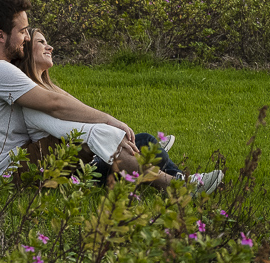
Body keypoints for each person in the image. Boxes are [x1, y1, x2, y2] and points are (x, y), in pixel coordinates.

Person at [0, 0, 222, 195]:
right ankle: (177, 188)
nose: (27, 37)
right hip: (6, 177)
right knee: (84, 137)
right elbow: (55, 104)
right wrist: (108, 121)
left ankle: (168, 176)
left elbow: (56, 99)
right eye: (22, 31)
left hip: (12, 167)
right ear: (0, 35)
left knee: (111, 137)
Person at [14, 27, 218, 190]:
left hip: (91, 157)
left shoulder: (48, 88)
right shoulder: (33, 99)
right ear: (27, 51)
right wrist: (114, 133)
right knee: (138, 145)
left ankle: (175, 175)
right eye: (41, 43)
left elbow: (81, 117)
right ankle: (181, 184)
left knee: (144, 139)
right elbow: (72, 131)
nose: (50, 47)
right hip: (81, 171)